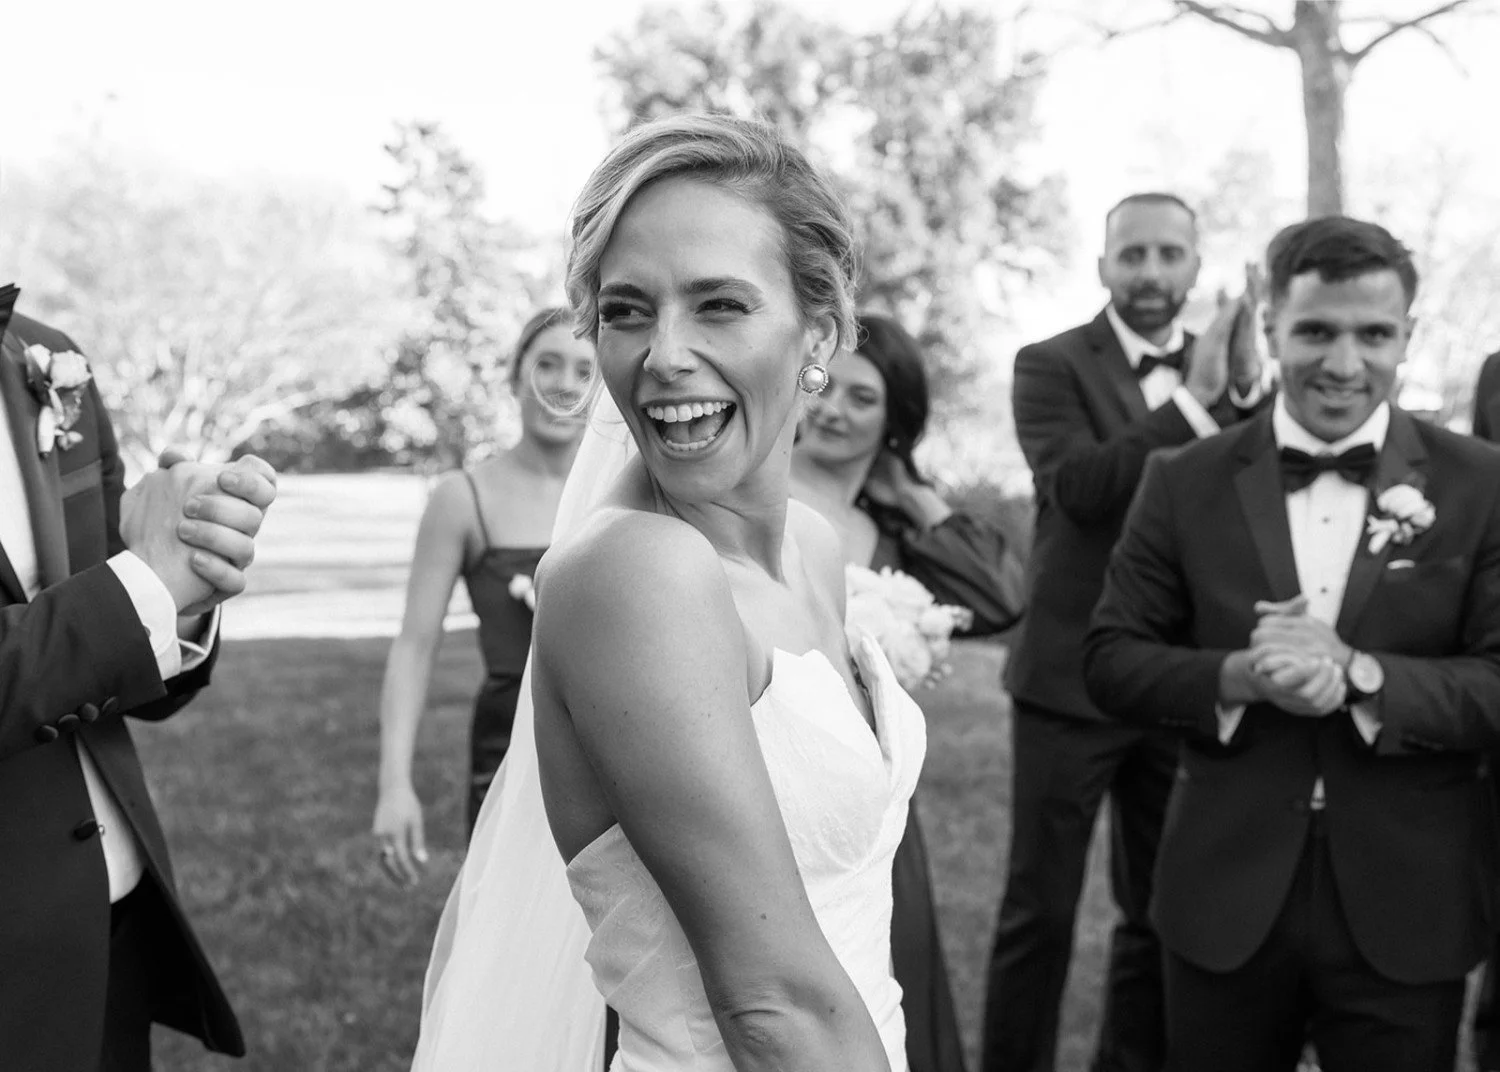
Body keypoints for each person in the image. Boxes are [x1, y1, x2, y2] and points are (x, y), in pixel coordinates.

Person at [412, 114, 925, 1071]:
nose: (664, 355)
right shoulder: (637, 573)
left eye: (719, 305)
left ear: (819, 329)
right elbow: (770, 1005)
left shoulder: (812, 548)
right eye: (627, 310)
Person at [1083, 215, 1500, 1071]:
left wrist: (1360, 673)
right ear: (1269, 326)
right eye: (1314, 331)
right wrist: (1242, 675)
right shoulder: (1183, 480)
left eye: (1373, 335)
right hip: (1222, 894)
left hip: (1408, 901)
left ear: (1407, 338)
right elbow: (1110, 660)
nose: (1344, 365)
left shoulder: (1481, 484)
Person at [986, 192, 1267, 1072]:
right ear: (1103, 265)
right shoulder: (1049, 364)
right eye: (1134, 254)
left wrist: (1245, 395)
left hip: (1169, 679)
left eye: (1170, 255)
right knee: (1041, 912)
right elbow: (1081, 487)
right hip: (1066, 684)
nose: (1152, 273)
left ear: (1196, 265)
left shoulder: (1239, 375)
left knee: (1157, 910)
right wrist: (1195, 404)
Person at [0, 284, 278, 1071]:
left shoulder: (44, 355)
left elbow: (103, 616)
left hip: (112, 912)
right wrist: (141, 586)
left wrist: (184, 587)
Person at [792, 311, 1025, 1072]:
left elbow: (998, 598)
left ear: (895, 422)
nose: (833, 408)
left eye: (865, 399)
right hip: (774, 785)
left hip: (876, 804)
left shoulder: (893, 532)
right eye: (825, 384)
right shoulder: (757, 497)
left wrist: (913, 493)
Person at [372, 307, 595, 880]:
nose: (564, 384)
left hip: (614, 744)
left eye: (583, 369)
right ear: (516, 377)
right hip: (505, 748)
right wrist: (395, 784)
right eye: (547, 364)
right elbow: (415, 646)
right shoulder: (462, 498)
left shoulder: (626, 492)